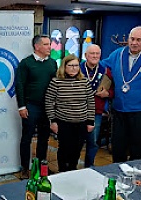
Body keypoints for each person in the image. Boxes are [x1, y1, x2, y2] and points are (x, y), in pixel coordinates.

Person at [102, 26, 141, 162]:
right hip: (119, 109)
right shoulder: (118, 53)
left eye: (138, 40)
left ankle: (135, 179)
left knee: (137, 149)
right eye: (132, 39)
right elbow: (101, 66)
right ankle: (117, 178)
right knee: (117, 148)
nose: (134, 43)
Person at [15, 35, 57, 179]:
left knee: (44, 139)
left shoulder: (52, 63)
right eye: (46, 44)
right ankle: (25, 169)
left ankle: (40, 168)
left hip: (47, 107)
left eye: (49, 44)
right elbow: (19, 85)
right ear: (37, 46)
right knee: (27, 138)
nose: (49, 47)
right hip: (30, 106)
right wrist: (21, 106)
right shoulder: (26, 63)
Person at [45, 54, 95, 172]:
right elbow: (49, 102)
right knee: (64, 149)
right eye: (71, 65)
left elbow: (90, 102)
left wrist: (90, 121)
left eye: (76, 65)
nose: (74, 68)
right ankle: (62, 171)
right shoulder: (56, 82)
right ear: (64, 66)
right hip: (63, 122)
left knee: (77, 149)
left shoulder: (84, 82)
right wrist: (53, 121)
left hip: (81, 123)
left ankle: (73, 170)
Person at [80, 44, 114, 167]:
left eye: (97, 54)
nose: (95, 56)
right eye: (92, 53)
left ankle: (89, 166)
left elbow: (114, 90)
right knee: (75, 141)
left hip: (96, 112)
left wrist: (107, 93)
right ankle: (70, 167)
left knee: (93, 142)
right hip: (77, 111)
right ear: (86, 55)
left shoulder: (105, 70)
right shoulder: (77, 68)